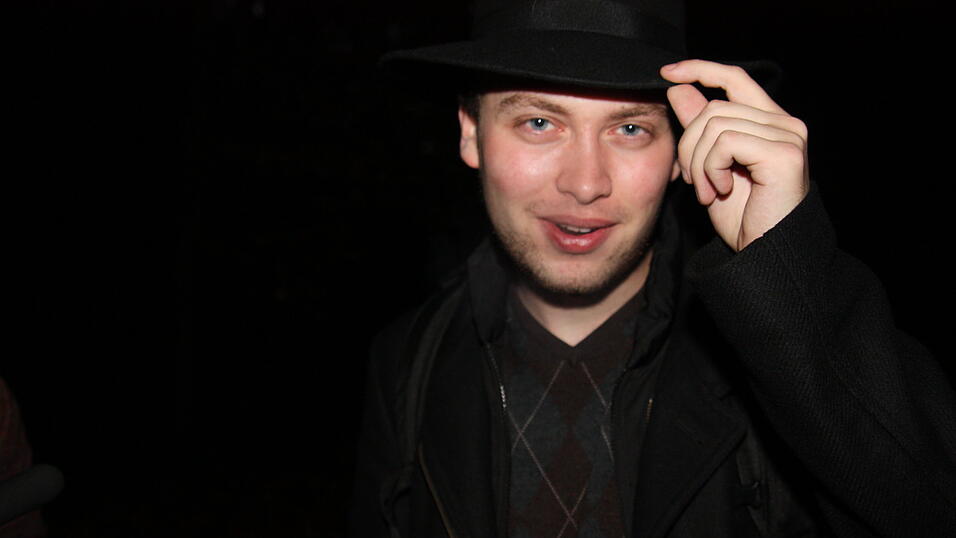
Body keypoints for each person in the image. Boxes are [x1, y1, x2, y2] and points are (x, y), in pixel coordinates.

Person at [349, 0, 956, 536]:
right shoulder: (407, 363)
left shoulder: (764, 362)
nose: (585, 184)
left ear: (681, 152)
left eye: (631, 128)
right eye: (539, 122)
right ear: (471, 135)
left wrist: (787, 271)